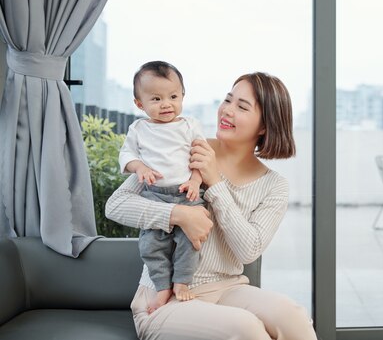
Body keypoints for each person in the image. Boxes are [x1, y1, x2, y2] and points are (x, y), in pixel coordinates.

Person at [106, 72, 318, 340]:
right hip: (165, 299)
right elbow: (116, 205)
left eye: (241, 107)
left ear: (264, 126)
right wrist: (179, 214)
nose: (227, 111)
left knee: (294, 316)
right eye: (228, 100)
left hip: (228, 289)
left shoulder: (274, 185)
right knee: (246, 329)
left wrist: (214, 182)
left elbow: (249, 249)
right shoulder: (185, 148)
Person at [118, 61, 206, 313]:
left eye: (173, 96)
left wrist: (196, 180)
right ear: (139, 104)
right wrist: (140, 168)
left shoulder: (189, 125)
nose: (166, 104)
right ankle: (161, 285)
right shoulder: (138, 129)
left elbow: (199, 156)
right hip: (154, 196)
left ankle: (181, 282)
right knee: (150, 244)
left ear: (183, 97)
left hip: (185, 193)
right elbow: (127, 155)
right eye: (156, 98)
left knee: (191, 240)